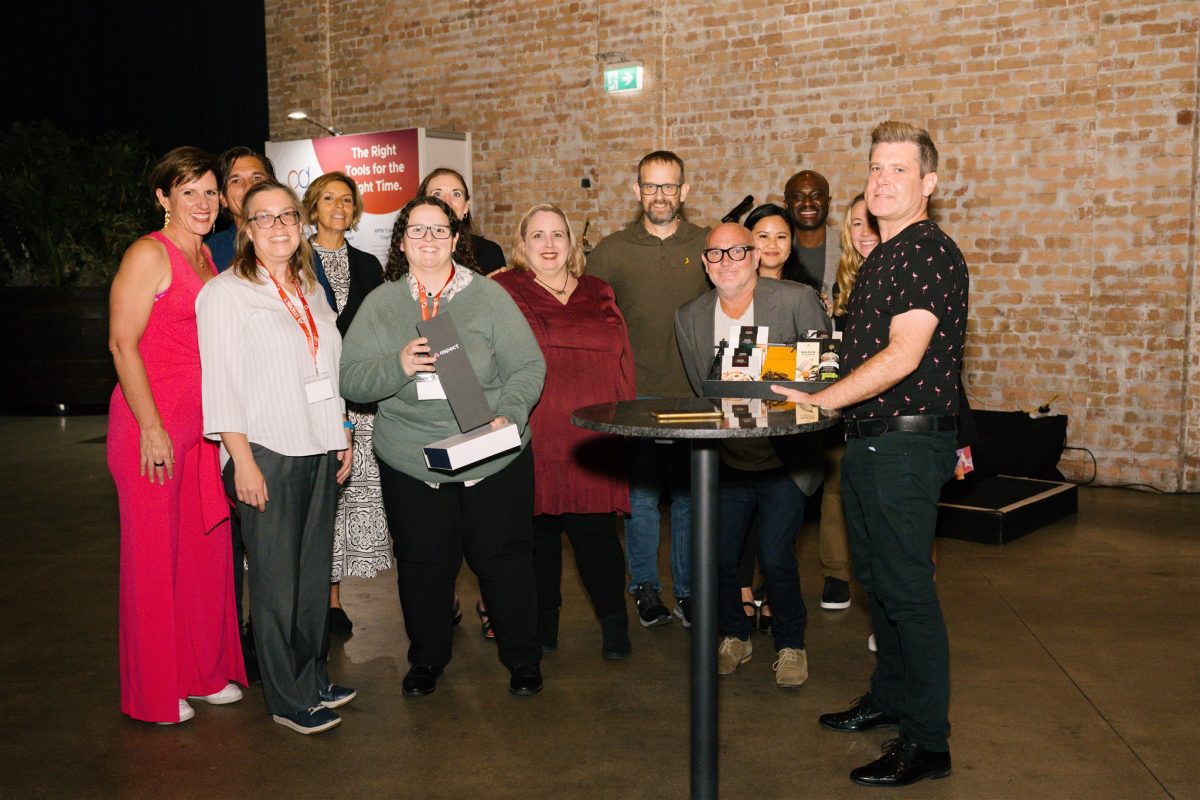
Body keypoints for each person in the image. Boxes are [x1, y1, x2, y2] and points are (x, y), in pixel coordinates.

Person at [773, 121, 969, 787]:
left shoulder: (928, 252)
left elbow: (905, 355)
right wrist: (812, 386)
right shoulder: (885, 255)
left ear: (928, 183)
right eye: (876, 167)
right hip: (870, 441)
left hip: (904, 445)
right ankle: (890, 698)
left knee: (907, 592)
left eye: (900, 169)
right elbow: (861, 354)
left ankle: (929, 742)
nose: (883, 180)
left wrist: (820, 403)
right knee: (878, 584)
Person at [339, 195, 547, 697]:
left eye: (439, 230)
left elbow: (528, 366)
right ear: (402, 242)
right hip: (412, 459)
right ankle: (427, 658)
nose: (428, 239)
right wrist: (398, 365)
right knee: (423, 564)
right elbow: (350, 378)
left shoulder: (489, 296)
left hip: (492, 451)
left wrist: (510, 413)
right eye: (417, 230)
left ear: (456, 239)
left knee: (504, 558)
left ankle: (522, 656)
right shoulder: (381, 304)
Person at [197, 180, 356, 735]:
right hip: (265, 449)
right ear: (245, 229)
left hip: (318, 445)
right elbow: (220, 384)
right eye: (264, 217)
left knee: (312, 576)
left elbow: (326, 368)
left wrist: (341, 430)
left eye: (287, 215)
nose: (279, 226)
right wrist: (240, 460)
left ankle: (312, 678)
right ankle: (287, 699)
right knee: (274, 583)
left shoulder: (309, 286)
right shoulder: (225, 294)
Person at [107, 146, 246, 725]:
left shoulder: (206, 255)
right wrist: (151, 428)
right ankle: (155, 694)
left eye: (211, 191)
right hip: (153, 430)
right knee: (154, 561)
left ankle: (202, 672)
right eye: (189, 191)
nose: (203, 202)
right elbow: (122, 344)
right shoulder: (149, 252)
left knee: (203, 556)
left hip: (201, 432)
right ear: (163, 197)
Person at [675, 223, 828, 688]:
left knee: (776, 556)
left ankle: (791, 644)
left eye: (738, 251)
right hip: (726, 460)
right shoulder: (689, 316)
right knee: (720, 556)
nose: (727, 262)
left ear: (756, 256)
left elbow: (823, 377)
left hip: (785, 458)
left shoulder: (797, 300)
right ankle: (735, 635)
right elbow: (702, 390)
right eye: (716, 254)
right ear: (705, 264)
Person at [493, 204, 636, 660]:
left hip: (592, 436)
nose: (549, 244)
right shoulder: (503, 290)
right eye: (538, 235)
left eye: (558, 234)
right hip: (534, 430)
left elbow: (622, 358)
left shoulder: (598, 290)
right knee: (538, 536)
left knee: (597, 537)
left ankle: (614, 623)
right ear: (522, 244)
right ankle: (543, 624)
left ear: (572, 243)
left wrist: (626, 423)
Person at [586, 150, 710, 628]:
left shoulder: (706, 243)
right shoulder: (611, 251)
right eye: (651, 186)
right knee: (639, 499)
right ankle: (644, 588)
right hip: (634, 393)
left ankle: (688, 591)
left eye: (669, 186)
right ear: (637, 190)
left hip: (693, 395)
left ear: (684, 190)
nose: (660, 195)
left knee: (686, 498)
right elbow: (588, 318)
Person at [301, 171, 390, 635]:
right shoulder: (295, 257)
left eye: (346, 200)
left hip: (357, 399)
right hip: (309, 397)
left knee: (347, 498)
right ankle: (307, 598)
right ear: (313, 207)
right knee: (315, 497)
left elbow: (378, 331)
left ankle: (333, 600)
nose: (338, 207)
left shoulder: (369, 265)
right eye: (328, 199)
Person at [815, 193, 881, 615]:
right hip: (846, 405)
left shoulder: (902, 274)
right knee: (837, 489)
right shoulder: (842, 285)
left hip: (889, 407)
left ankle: (885, 597)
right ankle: (837, 574)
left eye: (870, 223)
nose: (864, 232)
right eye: (856, 224)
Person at [417, 167, 506, 274]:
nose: (447, 202)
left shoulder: (490, 252)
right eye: (437, 194)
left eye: (456, 194)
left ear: (466, 207)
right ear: (421, 205)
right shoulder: (413, 249)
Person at [207, 147, 274, 271]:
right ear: (223, 198)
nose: (249, 186)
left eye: (257, 178)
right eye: (236, 181)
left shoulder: (293, 242)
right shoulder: (210, 252)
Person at [783, 169, 838, 296]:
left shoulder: (850, 246)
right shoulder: (776, 250)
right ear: (786, 204)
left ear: (828, 202)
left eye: (816, 195)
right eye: (798, 196)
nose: (807, 203)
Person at [744, 203, 807, 284]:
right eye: (763, 236)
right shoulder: (733, 287)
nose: (772, 245)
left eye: (781, 237)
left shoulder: (806, 289)